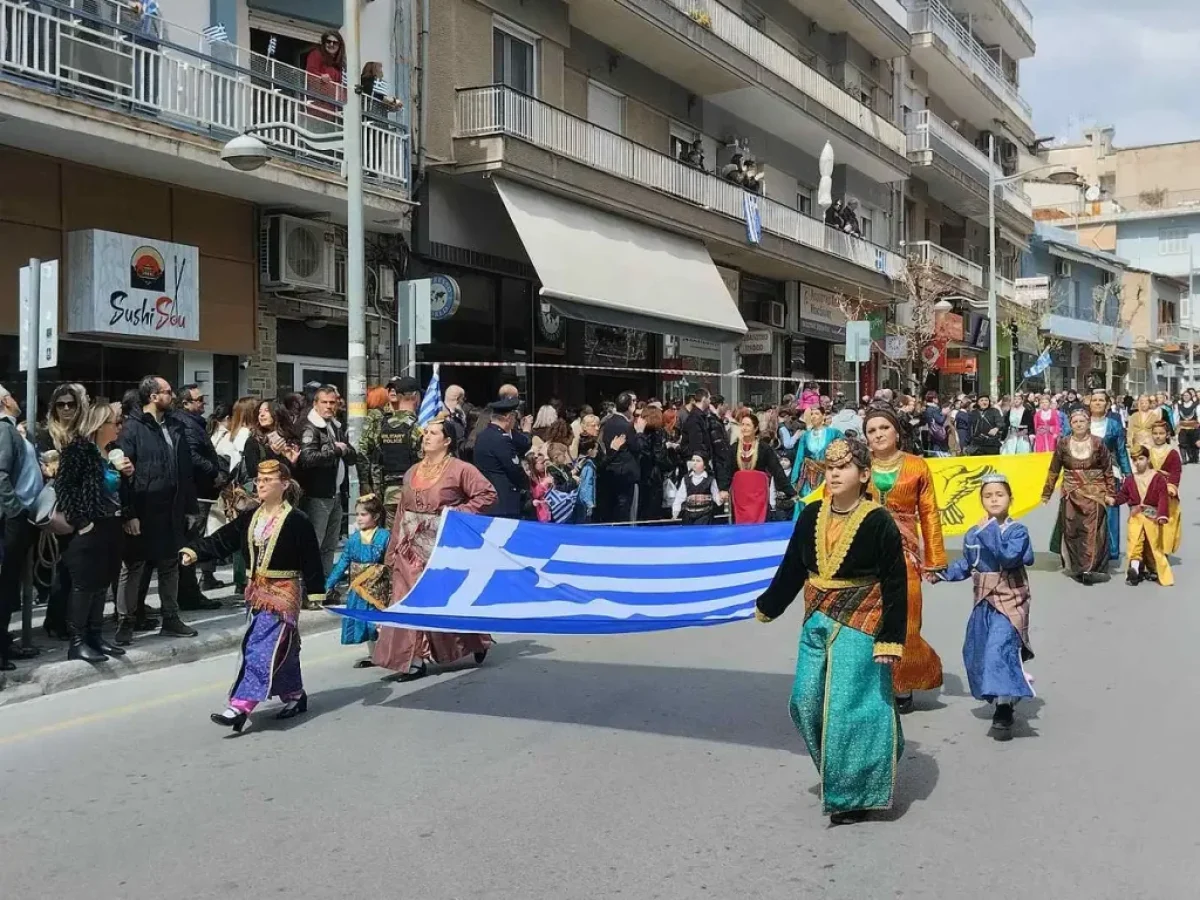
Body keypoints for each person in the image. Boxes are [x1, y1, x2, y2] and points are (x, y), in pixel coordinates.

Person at [754, 436, 907, 825]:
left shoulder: (878, 520)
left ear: (864, 474)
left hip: (862, 622)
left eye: (844, 467)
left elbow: (894, 582)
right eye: (831, 467)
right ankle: (858, 764)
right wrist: (768, 605)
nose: (835, 473)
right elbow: (793, 568)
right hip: (816, 619)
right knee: (804, 702)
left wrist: (890, 638)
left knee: (847, 709)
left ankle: (853, 793)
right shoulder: (809, 515)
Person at [182, 460, 324, 732]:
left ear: (284, 484)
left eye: (268, 480)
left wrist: (316, 591)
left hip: (283, 594)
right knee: (283, 647)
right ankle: (294, 693)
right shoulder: (252, 517)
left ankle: (240, 705)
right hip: (255, 593)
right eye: (259, 479)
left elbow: (311, 558)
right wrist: (195, 551)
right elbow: (223, 539)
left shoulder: (297, 520)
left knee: (259, 646)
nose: (260, 484)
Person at [374, 420, 497, 679]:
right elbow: (401, 512)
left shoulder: (461, 469)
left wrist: (455, 513)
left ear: (447, 440)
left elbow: (487, 495)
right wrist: (393, 548)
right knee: (404, 599)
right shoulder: (411, 472)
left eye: (433, 433)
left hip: (442, 545)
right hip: (409, 548)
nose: (426, 437)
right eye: (425, 433)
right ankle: (413, 659)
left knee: (444, 599)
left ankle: (474, 640)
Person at [932, 475, 1035, 739]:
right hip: (983, 601)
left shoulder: (1017, 531)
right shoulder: (973, 533)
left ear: (1010, 499)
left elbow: (1009, 557)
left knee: (997, 648)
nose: (994, 499)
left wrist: (988, 531)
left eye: (999, 494)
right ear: (981, 500)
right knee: (975, 650)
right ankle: (1005, 693)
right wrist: (940, 573)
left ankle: (1003, 708)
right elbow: (967, 564)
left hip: (1010, 600)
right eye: (988, 495)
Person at [862, 406, 946, 713]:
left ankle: (903, 684)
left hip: (906, 556)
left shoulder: (917, 466)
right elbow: (836, 505)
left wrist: (934, 560)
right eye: (871, 430)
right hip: (865, 558)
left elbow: (930, 514)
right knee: (867, 622)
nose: (879, 434)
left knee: (907, 619)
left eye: (884, 427)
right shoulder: (859, 467)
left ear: (897, 431)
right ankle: (871, 685)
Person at [114, 376, 199, 644]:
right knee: (134, 566)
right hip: (144, 507)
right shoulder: (133, 428)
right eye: (167, 391)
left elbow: (185, 470)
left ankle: (171, 617)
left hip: (172, 507)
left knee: (170, 564)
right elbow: (123, 473)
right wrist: (129, 513)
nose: (172, 396)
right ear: (152, 396)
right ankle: (125, 621)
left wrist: (190, 506)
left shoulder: (175, 424)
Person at [51, 402, 136, 662]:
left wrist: (127, 476)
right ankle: (77, 641)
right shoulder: (78, 450)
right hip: (90, 527)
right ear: (99, 425)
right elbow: (64, 488)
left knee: (102, 585)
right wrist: (81, 522)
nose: (119, 427)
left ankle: (95, 636)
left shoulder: (109, 452)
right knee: (84, 585)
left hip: (111, 524)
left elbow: (116, 491)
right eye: (115, 422)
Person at [37, 383, 89, 641]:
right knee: (64, 566)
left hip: (80, 506)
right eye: (61, 404)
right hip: (56, 509)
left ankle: (66, 619)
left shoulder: (82, 433)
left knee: (74, 568)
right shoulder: (47, 434)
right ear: (54, 408)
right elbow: (45, 468)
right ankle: (56, 621)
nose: (67, 408)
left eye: (71, 404)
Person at [1043, 408, 1117, 585]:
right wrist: (1047, 493)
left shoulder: (1098, 443)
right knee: (1072, 530)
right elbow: (1054, 470)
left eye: (1082, 421)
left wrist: (1110, 493)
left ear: (1088, 423)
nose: (1078, 424)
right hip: (1071, 493)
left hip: (1095, 493)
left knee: (1092, 531)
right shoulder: (1063, 443)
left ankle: (1091, 568)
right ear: (1070, 424)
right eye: (1075, 422)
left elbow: (1107, 469)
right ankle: (1076, 567)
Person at [297, 385, 357, 584]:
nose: (329, 406)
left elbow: (352, 455)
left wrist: (345, 451)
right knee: (314, 543)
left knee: (330, 545)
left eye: (333, 403)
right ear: (316, 403)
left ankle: (324, 586)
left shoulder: (336, 426)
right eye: (325, 402)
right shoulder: (310, 427)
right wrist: (336, 451)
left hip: (336, 494)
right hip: (317, 495)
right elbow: (307, 458)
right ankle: (309, 588)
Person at [173, 384, 226, 610]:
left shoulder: (195, 424)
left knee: (194, 542)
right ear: (185, 403)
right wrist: (214, 471)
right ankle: (188, 594)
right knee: (191, 545)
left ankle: (189, 592)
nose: (203, 404)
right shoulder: (186, 424)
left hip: (202, 491)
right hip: (196, 493)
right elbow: (193, 455)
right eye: (198, 400)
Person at [325, 493, 390, 667]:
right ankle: (374, 654)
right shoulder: (353, 539)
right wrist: (327, 584)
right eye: (357, 515)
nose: (359, 519)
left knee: (377, 621)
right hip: (359, 589)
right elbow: (342, 564)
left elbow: (390, 562)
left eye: (363, 514)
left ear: (375, 516)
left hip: (378, 587)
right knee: (363, 621)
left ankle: (388, 652)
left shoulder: (384, 536)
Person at [357, 376, 423, 518]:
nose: (392, 392)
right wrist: (365, 483)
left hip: (390, 490)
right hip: (402, 488)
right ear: (415, 397)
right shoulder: (414, 427)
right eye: (390, 389)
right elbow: (365, 451)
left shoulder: (384, 426)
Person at [1113, 446, 1174, 587]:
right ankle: (1133, 571)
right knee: (1135, 542)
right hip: (1135, 516)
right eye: (1134, 460)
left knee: (1153, 546)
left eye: (1141, 459)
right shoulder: (1130, 479)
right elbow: (1123, 495)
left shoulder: (1158, 478)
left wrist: (1162, 515)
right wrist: (1113, 500)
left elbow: (1163, 498)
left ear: (1148, 459)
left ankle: (1155, 570)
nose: (1138, 462)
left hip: (1152, 517)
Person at [1086, 390, 1131, 561]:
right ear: (1089, 403)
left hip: (1110, 473)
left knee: (1111, 510)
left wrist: (1128, 474)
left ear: (1107, 404)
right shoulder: (1082, 423)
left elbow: (1121, 452)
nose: (1097, 403)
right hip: (1086, 474)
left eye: (1101, 400)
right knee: (1087, 511)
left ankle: (1111, 550)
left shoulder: (1114, 425)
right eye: (1094, 400)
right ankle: (1087, 551)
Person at [730, 410, 792, 524]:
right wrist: (723, 489)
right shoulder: (734, 448)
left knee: (759, 521)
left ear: (755, 428)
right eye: (742, 425)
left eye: (748, 425)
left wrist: (790, 491)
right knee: (740, 523)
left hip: (758, 493)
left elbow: (776, 470)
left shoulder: (764, 448)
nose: (744, 428)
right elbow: (727, 470)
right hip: (740, 495)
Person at [473, 397, 529, 519]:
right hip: (505, 501)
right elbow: (514, 470)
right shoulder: (501, 439)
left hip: (488, 497)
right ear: (509, 418)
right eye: (514, 418)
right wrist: (528, 486)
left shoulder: (482, 436)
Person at [597, 392, 644, 523]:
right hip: (626, 474)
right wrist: (639, 432)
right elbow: (638, 447)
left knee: (615, 510)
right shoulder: (626, 426)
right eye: (633, 402)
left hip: (612, 472)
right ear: (630, 406)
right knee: (625, 511)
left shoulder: (609, 421)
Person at [790, 406, 841, 517]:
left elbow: (841, 452)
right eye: (811, 414)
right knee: (806, 501)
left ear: (823, 416)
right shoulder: (805, 436)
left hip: (828, 475)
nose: (813, 416)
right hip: (809, 476)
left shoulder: (834, 433)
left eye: (817, 413)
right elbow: (799, 457)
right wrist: (794, 478)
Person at [1145, 420, 1182, 565]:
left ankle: (1164, 551)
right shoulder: (1147, 451)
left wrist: (1172, 487)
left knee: (1167, 521)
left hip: (1167, 492)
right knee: (1150, 519)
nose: (1158, 436)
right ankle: (1150, 550)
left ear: (1167, 435)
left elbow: (1176, 471)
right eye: (1155, 433)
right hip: (1151, 491)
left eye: (1161, 433)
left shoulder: (1172, 452)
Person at [672, 452, 722, 525]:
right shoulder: (686, 479)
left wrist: (721, 499)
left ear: (705, 465)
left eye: (698, 461)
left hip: (705, 516)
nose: (694, 463)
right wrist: (675, 513)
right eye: (693, 460)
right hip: (688, 517)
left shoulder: (710, 480)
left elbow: (716, 497)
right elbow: (679, 497)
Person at [304, 30, 346, 111]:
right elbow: (310, 71)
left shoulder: (340, 63)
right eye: (328, 41)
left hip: (332, 105)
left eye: (335, 43)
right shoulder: (316, 54)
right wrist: (320, 76)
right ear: (324, 43)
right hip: (317, 101)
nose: (331, 44)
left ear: (340, 46)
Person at [1177, 389, 1199, 464]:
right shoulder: (1179, 405)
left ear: (1190, 396)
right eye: (1184, 395)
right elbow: (1176, 416)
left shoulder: (1195, 405)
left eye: (1187, 395)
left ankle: (1193, 458)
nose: (1185, 397)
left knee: (1192, 443)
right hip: (1183, 427)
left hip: (1193, 428)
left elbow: (1198, 416)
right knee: (1182, 442)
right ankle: (1184, 459)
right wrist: (1176, 427)